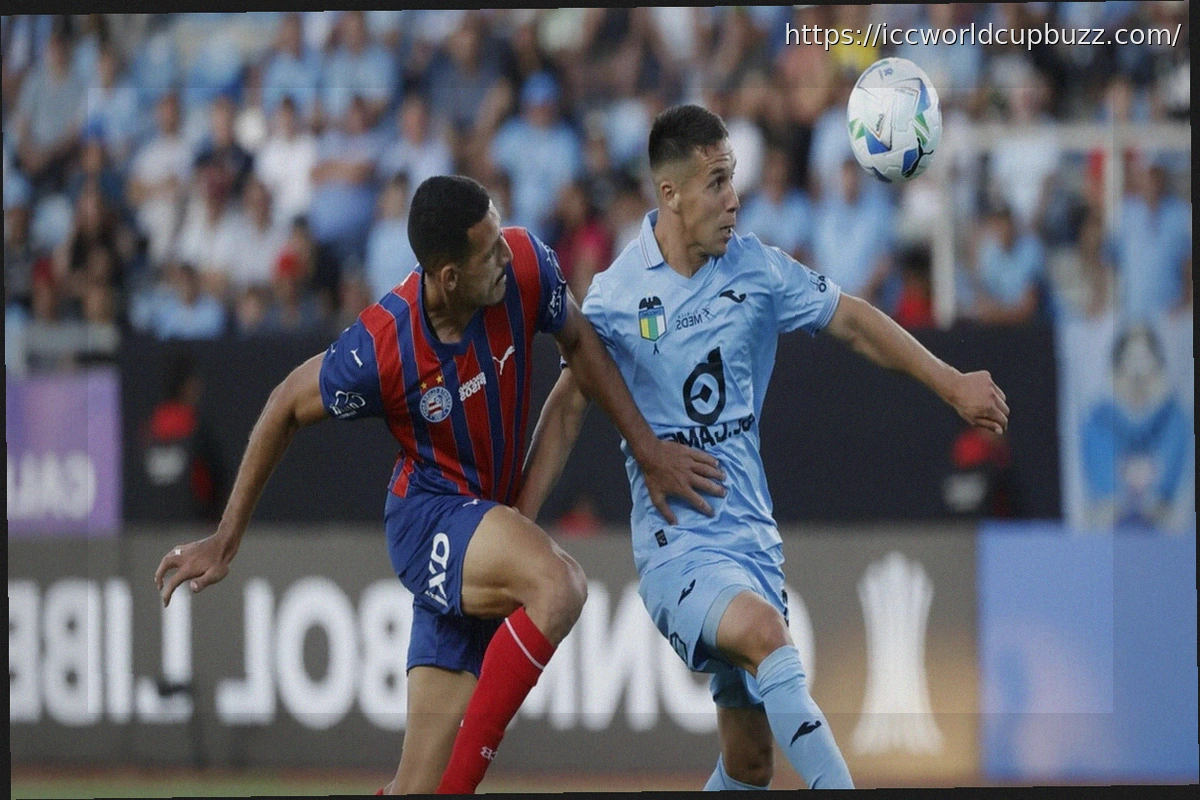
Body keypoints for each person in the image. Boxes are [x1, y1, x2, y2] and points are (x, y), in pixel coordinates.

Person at [153, 175, 723, 794]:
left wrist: (646, 450)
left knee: (413, 788)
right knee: (559, 586)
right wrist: (226, 539)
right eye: (489, 251)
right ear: (448, 276)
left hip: (488, 523)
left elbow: (580, 346)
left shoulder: (525, 265)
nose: (506, 253)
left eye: (500, 235)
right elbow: (285, 404)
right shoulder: (383, 347)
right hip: (429, 520)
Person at [518, 105, 1009, 791]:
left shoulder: (756, 268)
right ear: (671, 194)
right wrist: (517, 523)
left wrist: (951, 382)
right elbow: (569, 407)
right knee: (767, 637)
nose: (733, 199)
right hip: (678, 548)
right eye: (716, 182)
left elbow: (853, 321)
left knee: (750, 763)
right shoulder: (618, 296)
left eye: (733, 179)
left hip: (753, 540)